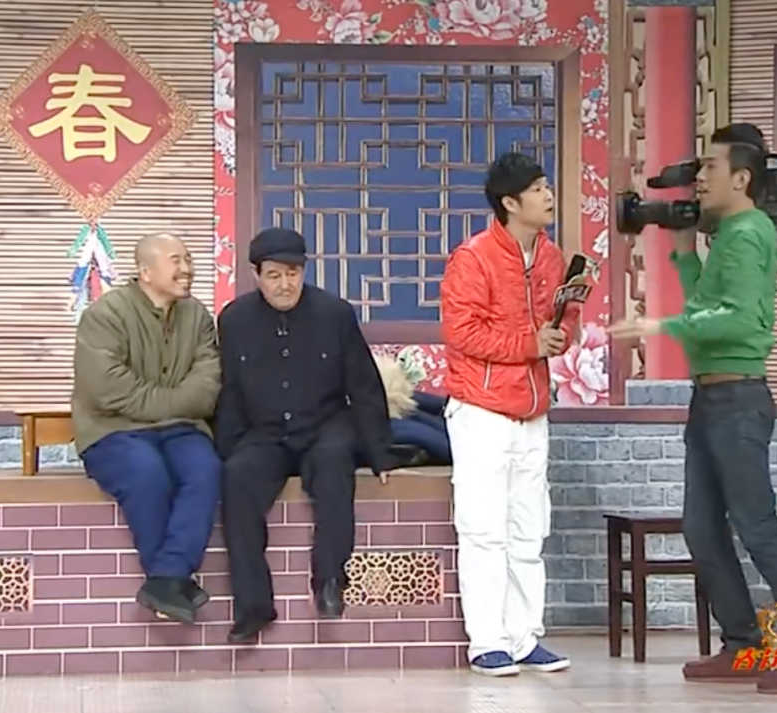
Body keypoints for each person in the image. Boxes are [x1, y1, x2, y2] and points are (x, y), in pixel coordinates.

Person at [608, 124, 777, 695]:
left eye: (709, 167)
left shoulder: (750, 233)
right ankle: (742, 646)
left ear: (742, 178)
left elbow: (737, 319)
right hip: (710, 398)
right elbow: (707, 302)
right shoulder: (729, 234)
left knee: (757, 525)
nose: (699, 178)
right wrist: (683, 248)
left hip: (738, 400)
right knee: (702, 527)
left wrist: (658, 326)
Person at [216, 227, 403, 644]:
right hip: (265, 432)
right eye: (274, 275)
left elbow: (364, 385)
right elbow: (229, 391)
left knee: (335, 464)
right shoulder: (234, 319)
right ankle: (253, 606)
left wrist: (380, 452)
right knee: (237, 476)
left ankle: (330, 581)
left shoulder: (334, 313)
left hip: (324, 425)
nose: (285, 284)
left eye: (293, 273)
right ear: (256, 275)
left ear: (304, 271)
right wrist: (225, 451)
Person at [440, 153, 580, 677]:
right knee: (483, 531)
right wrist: (529, 343)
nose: (548, 195)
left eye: (547, 185)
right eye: (538, 188)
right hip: (481, 412)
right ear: (510, 203)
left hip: (532, 412)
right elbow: (462, 333)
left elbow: (562, 324)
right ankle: (487, 642)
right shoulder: (472, 258)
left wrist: (563, 332)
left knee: (528, 530)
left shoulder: (551, 257)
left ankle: (524, 637)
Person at [72, 232, 222, 625]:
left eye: (188, 259)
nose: (187, 269)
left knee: (206, 469)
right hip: (112, 430)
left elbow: (207, 386)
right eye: (176, 260)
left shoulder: (198, 317)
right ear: (145, 271)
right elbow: (108, 390)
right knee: (146, 471)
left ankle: (165, 579)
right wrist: (173, 403)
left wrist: (170, 408)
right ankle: (171, 579)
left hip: (181, 430)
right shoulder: (105, 315)